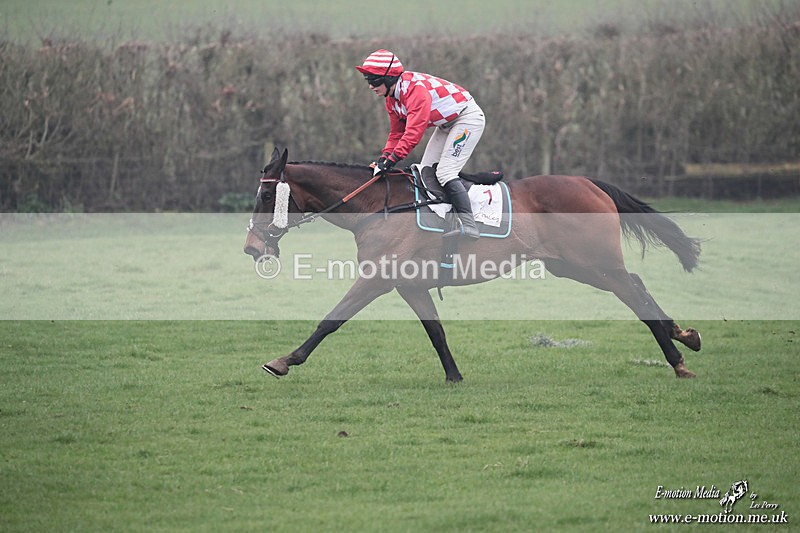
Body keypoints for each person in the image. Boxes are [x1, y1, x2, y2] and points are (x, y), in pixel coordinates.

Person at [356, 49, 485, 239]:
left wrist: (391, 161)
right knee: (425, 171)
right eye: (368, 80)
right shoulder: (392, 100)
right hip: (446, 124)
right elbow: (397, 133)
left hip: (467, 119)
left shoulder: (415, 91)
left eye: (374, 80)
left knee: (445, 173)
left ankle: (469, 224)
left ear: (389, 78)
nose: (370, 86)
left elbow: (413, 134)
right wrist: (383, 158)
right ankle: (445, 218)